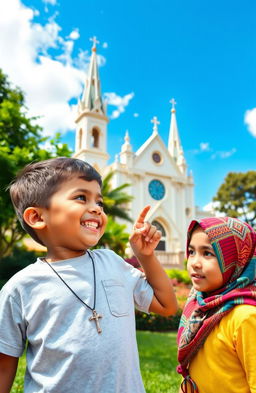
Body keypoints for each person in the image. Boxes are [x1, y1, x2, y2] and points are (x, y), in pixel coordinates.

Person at [0, 157, 177, 393]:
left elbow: (167, 306)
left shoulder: (113, 264)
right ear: (38, 217)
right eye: (81, 197)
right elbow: (4, 365)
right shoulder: (20, 288)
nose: (96, 208)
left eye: (100, 202)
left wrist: (145, 256)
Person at [177, 216, 256, 393]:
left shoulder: (245, 317)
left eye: (207, 253)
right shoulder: (199, 305)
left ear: (236, 259)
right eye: (191, 251)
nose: (195, 263)